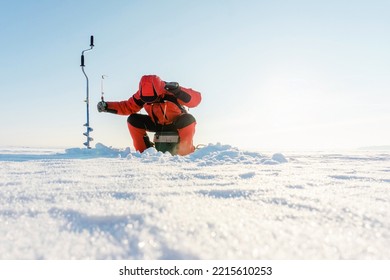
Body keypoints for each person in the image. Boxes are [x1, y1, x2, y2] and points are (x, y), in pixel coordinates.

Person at [97, 75, 202, 155]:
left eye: (154, 98)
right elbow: (127, 107)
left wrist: (179, 91)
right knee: (133, 120)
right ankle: (145, 154)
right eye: (147, 100)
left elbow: (196, 100)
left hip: (176, 123)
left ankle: (185, 153)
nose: (152, 101)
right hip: (156, 123)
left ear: (159, 91)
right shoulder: (141, 96)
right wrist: (107, 106)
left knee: (188, 119)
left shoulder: (172, 91)